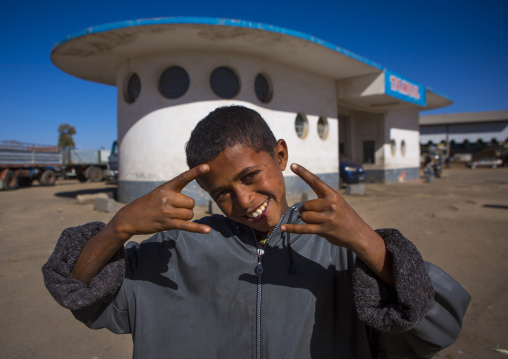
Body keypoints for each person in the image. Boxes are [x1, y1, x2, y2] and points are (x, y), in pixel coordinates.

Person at [43, 105, 469, 358]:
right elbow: (80, 292)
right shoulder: (176, 249)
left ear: (280, 155)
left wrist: (365, 240)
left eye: (251, 176)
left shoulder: (338, 250)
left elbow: (438, 326)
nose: (244, 201)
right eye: (223, 193)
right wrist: (118, 228)